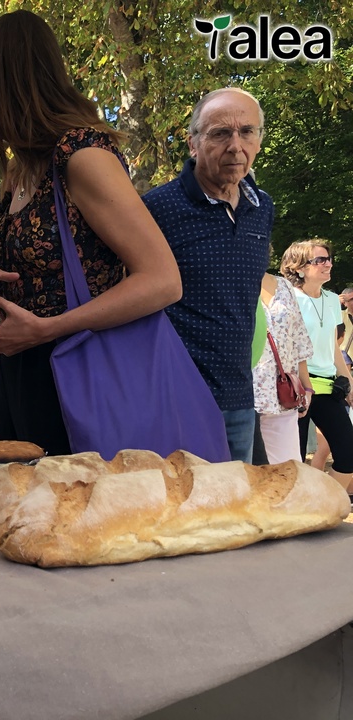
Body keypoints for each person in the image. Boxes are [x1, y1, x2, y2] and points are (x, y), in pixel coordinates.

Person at [0, 10, 181, 456]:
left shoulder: (82, 155)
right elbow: (42, 281)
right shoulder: (19, 170)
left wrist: (47, 329)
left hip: (77, 381)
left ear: (1, 84)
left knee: (70, 498)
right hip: (19, 381)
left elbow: (163, 280)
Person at [142, 88, 274, 462]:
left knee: (235, 497)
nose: (235, 145)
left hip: (240, 396)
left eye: (247, 132)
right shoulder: (157, 208)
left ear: (259, 140)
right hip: (174, 398)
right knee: (175, 497)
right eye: (220, 133)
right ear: (193, 144)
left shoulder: (262, 207)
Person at [281, 240, 353, 491]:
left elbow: (333, 347)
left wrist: (350, 383)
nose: (328, 264)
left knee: (348, 453)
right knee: (296, 461)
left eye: (329, 259)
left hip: (329, 387)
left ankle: (325, 504)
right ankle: (298, 510)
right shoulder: (289, 298)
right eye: (320, 260)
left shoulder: (332, 299)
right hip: (297, 388)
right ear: (299, 267)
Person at [252, 273, 314, 464]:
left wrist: (307, 386)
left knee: (288, 468)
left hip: (283, 394)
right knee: (248, 471)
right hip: (245, 395)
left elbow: (298, 339)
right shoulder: (232, 280)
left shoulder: (285, 286)